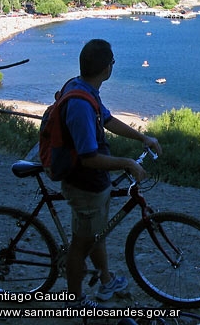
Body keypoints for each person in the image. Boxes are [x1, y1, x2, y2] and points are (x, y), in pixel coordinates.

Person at [60, 39, 162, 309]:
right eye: (112, 62)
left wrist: (142, 138)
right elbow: (89, 158)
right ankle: (75, 301)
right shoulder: (81, 105)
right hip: (84, 185)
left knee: (97, 234)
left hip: (93, 184)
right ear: (106, 69)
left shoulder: (83, 87)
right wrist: (127, 163)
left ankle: (106, 281)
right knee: (80, 246)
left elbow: (107, 119)